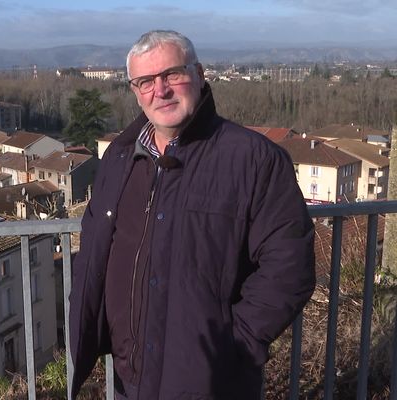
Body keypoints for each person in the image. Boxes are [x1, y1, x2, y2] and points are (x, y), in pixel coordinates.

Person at [68, 30, 316, 399]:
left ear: (199, 74)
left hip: (211, 383)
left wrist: (234, 347)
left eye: (172, 74)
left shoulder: (254, 159)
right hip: (128, 377)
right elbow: (94, 244)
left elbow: (289, 267)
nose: (161, 90)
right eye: (146, 81)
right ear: (135, 91)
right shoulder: (119, 159)